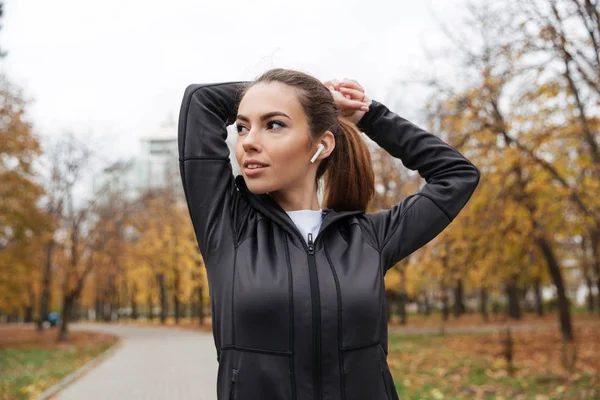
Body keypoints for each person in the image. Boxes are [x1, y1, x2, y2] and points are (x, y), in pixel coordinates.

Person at [178, 68, 480, 400]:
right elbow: (200, 101)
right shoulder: (227, 228)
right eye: (242, 127)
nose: (248, 142)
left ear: (321, 145)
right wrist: (315, 94)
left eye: (273, 124)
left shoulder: (369, 239)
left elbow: (456, 175)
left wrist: (369, 116)